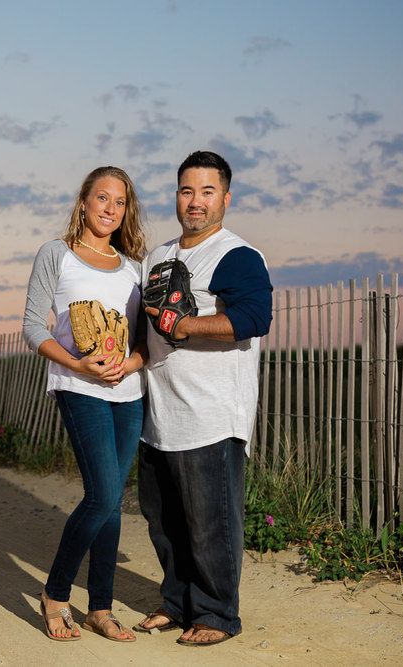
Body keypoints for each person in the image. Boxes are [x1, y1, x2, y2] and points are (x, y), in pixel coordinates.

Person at [135, 150, 272, 646]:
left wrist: (186, 325)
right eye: (187, 191)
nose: (196, 202)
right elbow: (143, 330)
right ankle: (176, 603)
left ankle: (216, 614)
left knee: (210, 523)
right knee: (165, 522)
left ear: (226, 199)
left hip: (211, 413)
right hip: (160, 412)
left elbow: (255, 317)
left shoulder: (236, 255)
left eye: (207, 191)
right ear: (177, 196)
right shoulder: (157, 257)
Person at [22, 166, 148, 642]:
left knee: (113, 503)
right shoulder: (56, 254)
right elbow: (34, 326)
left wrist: (132, 364)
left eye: (120, 202)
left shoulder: (135, 267)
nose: (110, 208)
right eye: (102, 198)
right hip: (79, 390)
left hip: (127, 394)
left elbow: (144, 342)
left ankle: (100, 607)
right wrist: (77, 367)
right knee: (101, 496)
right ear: (83, 202)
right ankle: (55, 594)